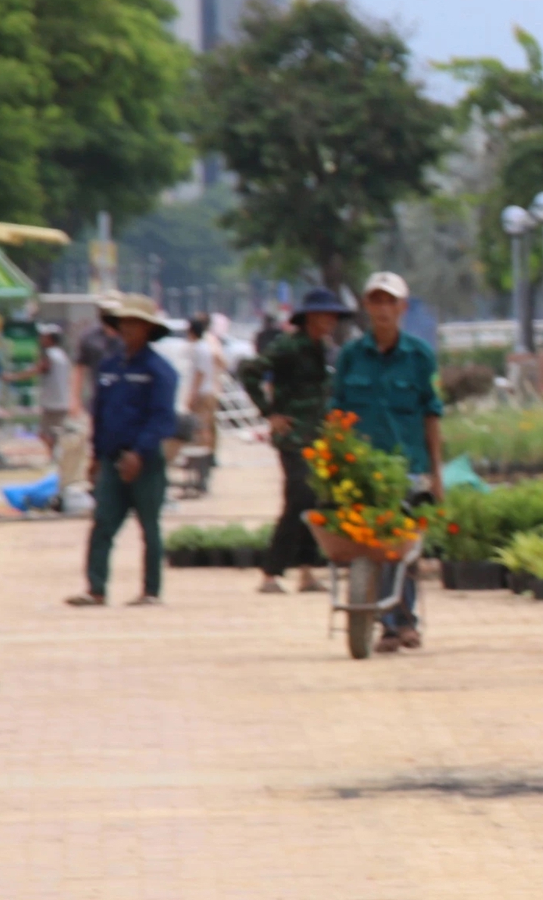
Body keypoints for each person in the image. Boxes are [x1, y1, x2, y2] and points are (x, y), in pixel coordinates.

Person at [331, 272, 442, 653]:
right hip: (361, 472)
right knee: (368, 549)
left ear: (402, 308)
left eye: (389, 302)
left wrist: (436, 476)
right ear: (366, 307)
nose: (382, 309)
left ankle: (402, 622)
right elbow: (337, 414)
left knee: (401, 549)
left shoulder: (419, 356)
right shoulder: (350, 357)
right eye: (375, 301)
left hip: (406, 469)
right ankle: (383, 621)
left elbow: (431, 415)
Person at [67, 294, 177, 607]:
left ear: (147, 328)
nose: (127, 328)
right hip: (111, 458)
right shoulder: (109, 367)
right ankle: (96, 588)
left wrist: (139, 453)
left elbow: (162, 419)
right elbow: (100, 414)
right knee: (103, 522)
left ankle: (151, 591)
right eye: (123, 321)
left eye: (134, 322)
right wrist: (95, 456)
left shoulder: (159, 370)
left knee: (149, 526)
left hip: (145, 460)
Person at [241, 287, 351, 594]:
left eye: (332, 315)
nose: (329, 320)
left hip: (319, 435)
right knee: (298, 498)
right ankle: (271, 573)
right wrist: (269, 413)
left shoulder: (324, 349)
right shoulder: (289, 346)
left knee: (314, 501)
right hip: (293, 436)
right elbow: (249, 371)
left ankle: (306, 571)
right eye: (323, 315)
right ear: (309, 317)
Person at [10, 325, 74, 453]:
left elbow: (37, 369)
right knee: (56, 434)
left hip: (52, 402)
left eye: (43, 336)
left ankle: (55, 456)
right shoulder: (63, 355)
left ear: (50, 339)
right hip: (63, 401)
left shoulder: (49, 354)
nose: (40, 339)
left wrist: (14, 377)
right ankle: (56, 457)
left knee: (45, 434)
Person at [183, 314, 223, 483]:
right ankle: (206, 460)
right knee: (207, 427)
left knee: (202, 428)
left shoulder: (199, 348)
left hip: (203, 393)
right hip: (210, 390)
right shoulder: (206, 346)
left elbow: (199, 373)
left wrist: (192, 395)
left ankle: (203, 462)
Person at [74, 296, 124, 415]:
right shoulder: (90, 337)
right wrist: (75, 399)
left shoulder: (129, 337)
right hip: (98, 397)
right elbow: (79, 369)